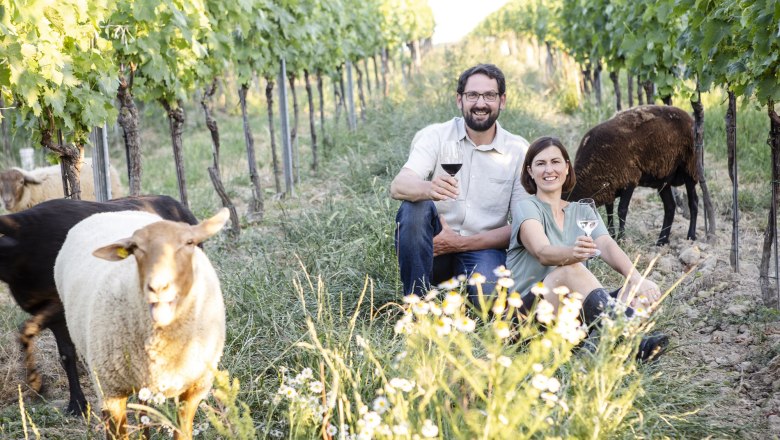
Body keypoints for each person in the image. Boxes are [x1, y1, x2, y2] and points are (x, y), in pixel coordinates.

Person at [506, 136, 667, 360]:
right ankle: (631, 336)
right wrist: (574, 253)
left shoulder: (582, 211)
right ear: (530, 172)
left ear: (567, 167)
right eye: (540, 164)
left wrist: (637, 279)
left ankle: (595, 351)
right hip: (526, 317)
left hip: (568, 318)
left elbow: (607, 245)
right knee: (570, 269)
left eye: (555, 162)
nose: (549, 169)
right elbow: (542, 252)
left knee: (637, 291)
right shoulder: (526, 207)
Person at [390, 64, 529, 301]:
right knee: (415, 206)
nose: (480, 103)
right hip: (433, 247)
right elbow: (398, 186)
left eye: (489, 95)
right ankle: (416, 303)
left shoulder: (517, 151)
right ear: (459, 100)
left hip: (482, 248)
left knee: (490, 302)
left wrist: (459, 243)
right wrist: (428, 188)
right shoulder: (437, 136)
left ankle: (459, 297)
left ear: (502, 101)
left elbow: (521, 226)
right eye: (472, 95)